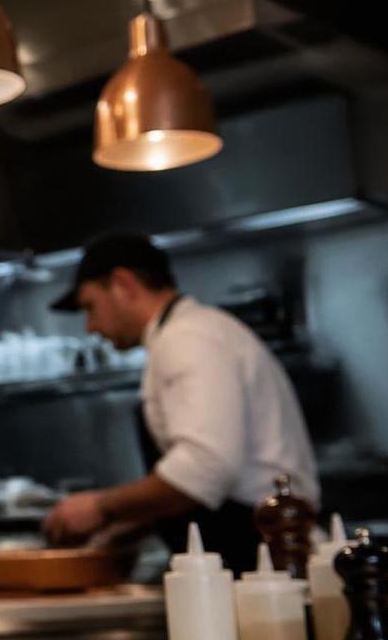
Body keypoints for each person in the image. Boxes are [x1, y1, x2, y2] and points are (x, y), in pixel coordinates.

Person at [42, 233, 319, 568]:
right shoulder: (187, 334)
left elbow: (205, 468)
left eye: (90, 306)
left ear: (123, 284)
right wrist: (131, 524)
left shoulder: (187, 338)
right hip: (250, 548)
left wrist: (100, 507)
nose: (90, 326)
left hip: (263, 556)